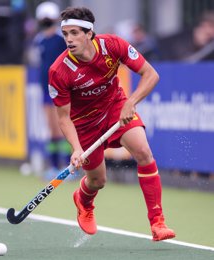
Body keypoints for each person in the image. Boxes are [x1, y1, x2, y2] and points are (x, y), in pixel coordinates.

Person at [48, 6, 176, 241]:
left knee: (143, 152)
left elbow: (151, 74)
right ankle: (83, 201)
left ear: (89, 33)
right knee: (98, 181)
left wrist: (132, 102)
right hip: (84, 124)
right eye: (65, 34)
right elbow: (63, 117)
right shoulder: (59, 71)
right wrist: (76, 148)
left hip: (115, 107)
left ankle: (158, 222)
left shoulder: (112, 45)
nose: (69, 39)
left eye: (75, 33)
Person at [33, 1, 70, 178]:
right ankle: (54, 166)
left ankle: (70, 166)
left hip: (62, 89)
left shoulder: (61, 39)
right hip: (46, 91)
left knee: (64, 127)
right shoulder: (39, 40)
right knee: (52, 130)